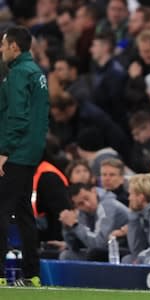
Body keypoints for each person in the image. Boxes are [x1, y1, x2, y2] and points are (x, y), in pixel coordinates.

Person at [0, 26, 49, 287]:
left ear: (14, 47)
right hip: (30, 152)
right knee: (23, 211)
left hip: (15, 152)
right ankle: (32, 274)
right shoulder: (37, 73)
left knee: (2, 209)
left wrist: (4, 151)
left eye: (3, 45)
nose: (1, 50)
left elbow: (17, 116)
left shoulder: (19, 73)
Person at [59, 183, 129, 261]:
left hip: (124, 251)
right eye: (80, 204)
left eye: (87, 198)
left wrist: (75, 225)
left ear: (94, 191)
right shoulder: (82, 213)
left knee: (93, 253)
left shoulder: (107, 205)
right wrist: (68, 227)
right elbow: (74, 247)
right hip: (105, 252)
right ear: (76, 206)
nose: (87, 205)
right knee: (67, 256)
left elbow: (99, 244)